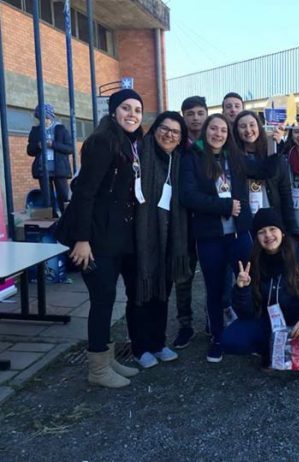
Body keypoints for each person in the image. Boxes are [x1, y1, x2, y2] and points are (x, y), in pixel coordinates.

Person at [59, 89, 144, 387]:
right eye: (126, 108)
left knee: (108, 298)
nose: (132, 114)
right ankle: (97, 368)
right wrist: (82, 239)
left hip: (114, 235)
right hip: (96, 237)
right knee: (102, 300)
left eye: (137, 109)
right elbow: (84, 193)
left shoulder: (128, 142)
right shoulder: (102, 141)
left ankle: (106, 359)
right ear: (113, 111)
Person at [180, 114, 278, 363]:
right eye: (214, 129)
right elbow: (188, 196)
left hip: (239, 234)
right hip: (210, 237)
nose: (218, 134)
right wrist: (224, 206)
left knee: (251, 283)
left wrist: (276, 143)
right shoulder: (193, 156)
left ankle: (254, 333)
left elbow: (265, 170)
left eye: (223, 130)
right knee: (215, 291)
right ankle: (217, 338)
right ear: (206, 131)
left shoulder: (234, 156)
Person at [221, 208, 299, 384]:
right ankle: (269, 352)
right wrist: (242, 289)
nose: (268, 235)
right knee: (229, 339)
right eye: (261, 231)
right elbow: (246, 314)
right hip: (271, 322)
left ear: (282, 231)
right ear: (256, 237)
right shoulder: (253, 262)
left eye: (272, 229)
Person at [126, 111, 191, 368]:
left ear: (180, 138)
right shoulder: (140, 154)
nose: (169, 135)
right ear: (154, 130)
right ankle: (139, 347)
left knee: (163, 291)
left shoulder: (179, 160)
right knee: (140, 292)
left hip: (169, 237)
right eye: (164, 128)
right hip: (140, 238)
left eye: (175, 132)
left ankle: (158, 342)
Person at [172, 96, 209, 348]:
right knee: (183, 276)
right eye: (190, 114)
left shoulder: (216, 142)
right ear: (183, 116)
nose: (195, 118)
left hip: (209, 220)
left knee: (213, 276)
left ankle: (212, 319)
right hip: (182, 220)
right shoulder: (176, 145)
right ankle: (185, 324)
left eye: (199, 113)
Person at [233, 110, 295, 231]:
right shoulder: (234, 156)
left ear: (259, 127)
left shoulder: (272, 152)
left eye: (252, 125)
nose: (248, 130)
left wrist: (289, 225)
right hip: (244, 220)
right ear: (236, 130)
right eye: (243, 126)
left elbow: (285, 191)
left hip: (271, 220)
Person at [26, 103, 73, 215]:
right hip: (43, 169)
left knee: (63, 196)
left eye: (45, 118)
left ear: (50, 117)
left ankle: (66, 218)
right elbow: (29, 151)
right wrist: (38, 146)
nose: (43, 120)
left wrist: (53, 144)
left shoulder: (61, 129)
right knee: (47, 198)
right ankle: (52, 219)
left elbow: (70, 148)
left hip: (59, 169)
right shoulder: (35, 130)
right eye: (40, 118)